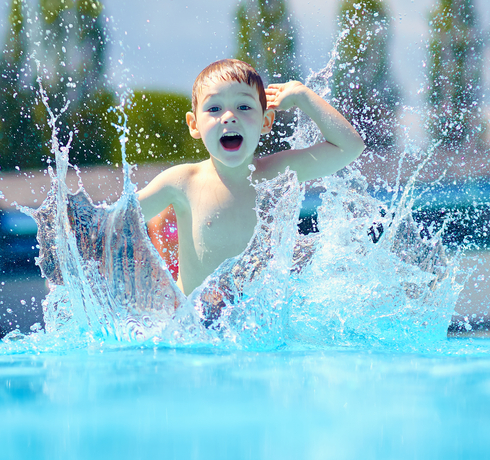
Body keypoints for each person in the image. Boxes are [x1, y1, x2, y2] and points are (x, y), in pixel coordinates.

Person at [136, 58, 365, 295]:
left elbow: (350, 147)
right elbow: (118, 221)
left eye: (243, 107)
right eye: (214, 109)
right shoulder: (182, 182)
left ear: (266, 122)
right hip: (197, 326)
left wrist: (302, 96)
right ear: (194, 125)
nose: (228, 117)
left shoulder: (278, 173)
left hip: (257, 324)